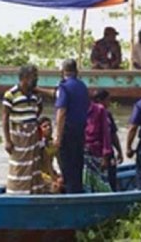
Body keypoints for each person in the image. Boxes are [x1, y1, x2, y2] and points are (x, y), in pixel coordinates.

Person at [2, 64, 44, 194]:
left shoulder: (35, 95)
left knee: (34, 166)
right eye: (34, 77)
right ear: (25, 78)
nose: (36, 79)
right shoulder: (11, 94)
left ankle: (33, 192)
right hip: (19, 136)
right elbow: (5, 118)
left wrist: (32, 123)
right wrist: (8, 140)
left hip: (32, 136)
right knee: (19, 166)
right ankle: (16, 193)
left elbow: (39, 108)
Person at [54, 59, 89, 194]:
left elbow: (61, 112)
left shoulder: (64, 87)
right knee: (77, 166)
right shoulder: (82, 86)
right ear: (76, 71)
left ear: (63, 71)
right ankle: (77, 192)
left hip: (67, 132)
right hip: (80, 132)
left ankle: (70, 195)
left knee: (67, 168)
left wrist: (58, 136)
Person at [93, 89, 123, 191]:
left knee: (111, 179)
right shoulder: (90, 115)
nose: (109, 103)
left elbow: (113, 134)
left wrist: (119, 151)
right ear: (100, 100)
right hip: (95, 153)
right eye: (107, 100)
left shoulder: (107, 115)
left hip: (108, 153)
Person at [83, 95, 112, 192]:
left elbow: (106, 134)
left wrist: (105, 156)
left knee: (102, 184)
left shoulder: (99, 110)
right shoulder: (77, 110)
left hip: (97, 154)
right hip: (83, 155)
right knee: (85, 183)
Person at [37, 116, 62, 193]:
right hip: (40, 174)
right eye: (45, 126)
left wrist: (62, 174)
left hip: (50, 172)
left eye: (49, 125)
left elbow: (60, 161)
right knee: (55, 186)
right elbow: (47, 163)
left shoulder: (53, 144)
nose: (48, 128)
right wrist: (53, 179)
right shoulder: (39, 145)